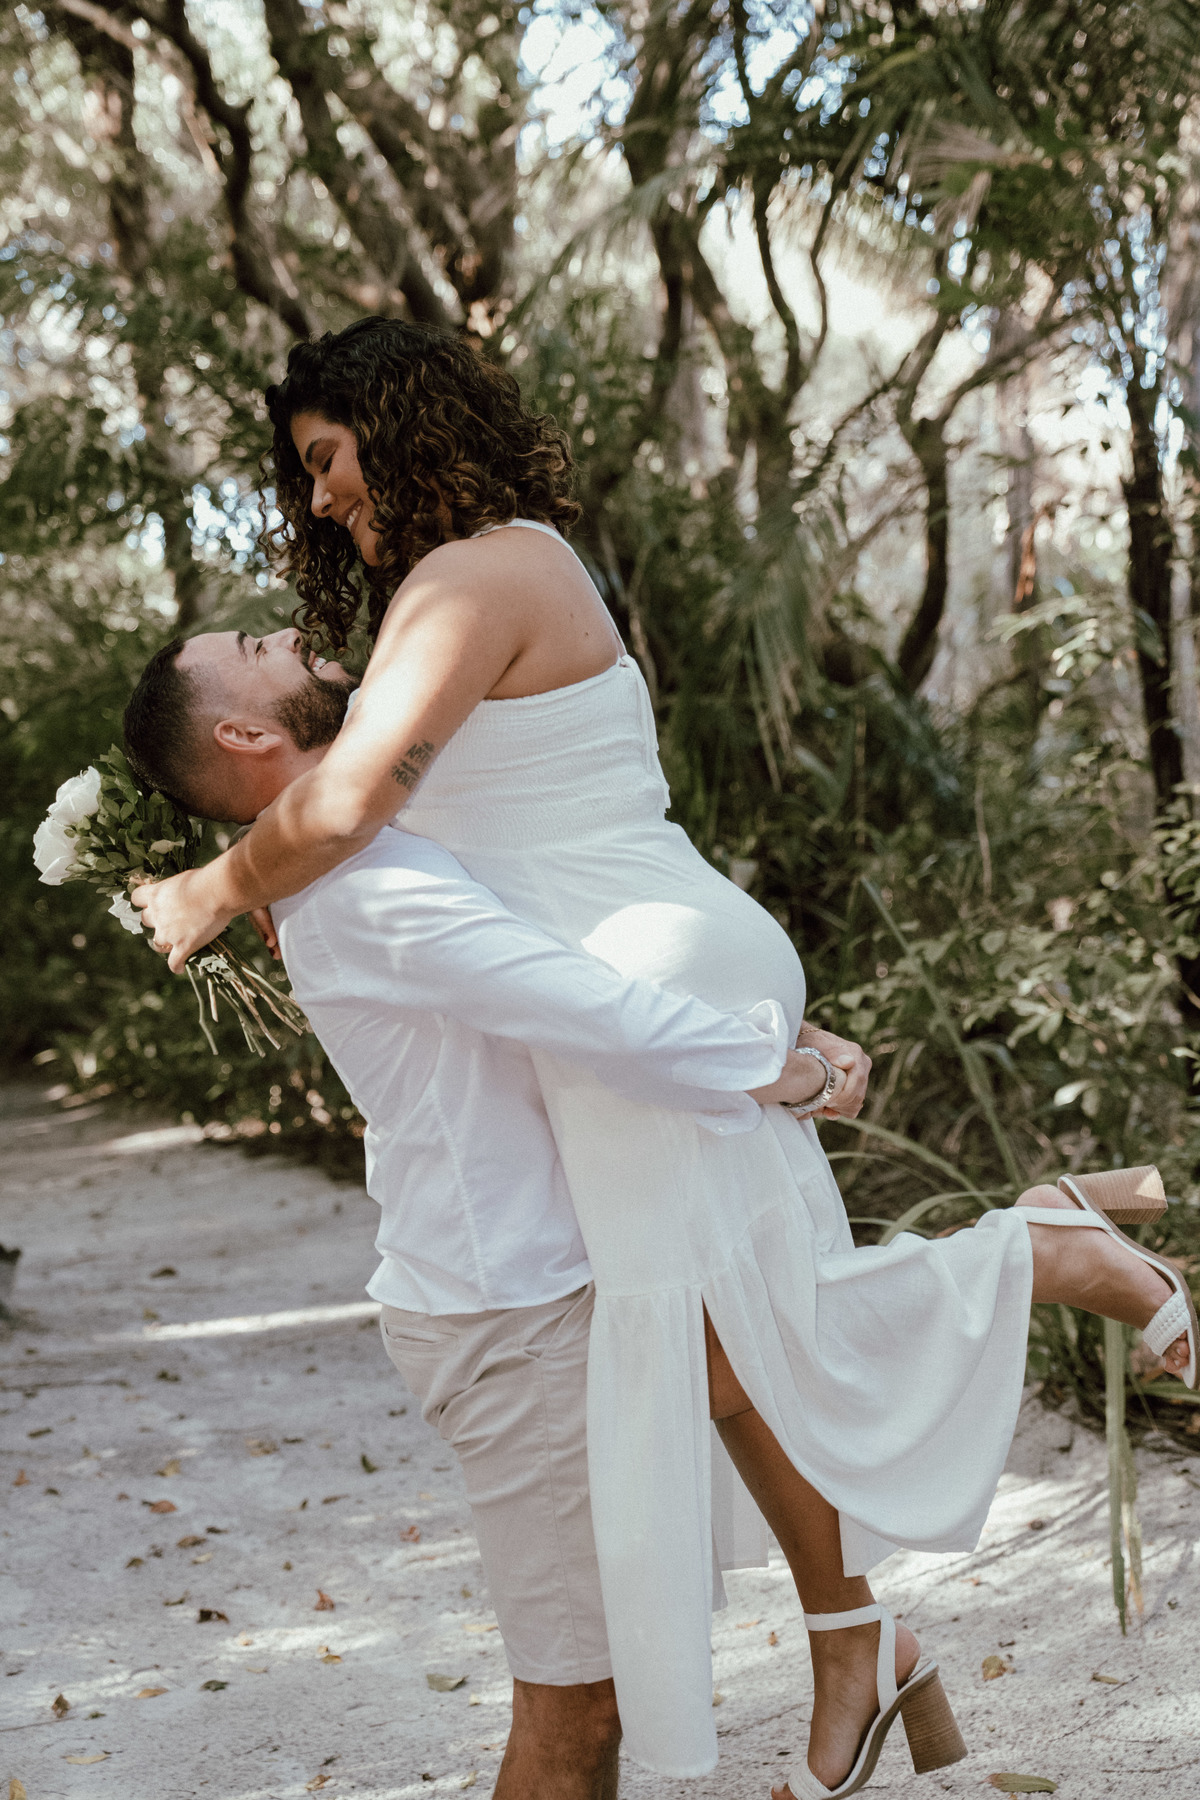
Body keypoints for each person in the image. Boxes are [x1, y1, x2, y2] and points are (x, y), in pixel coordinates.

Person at [131, 322, 1195, 1797]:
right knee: (706, 1333)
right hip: (648, 953)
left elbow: (351, 805)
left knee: (707, 1329)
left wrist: (213, 886)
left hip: (630, 975)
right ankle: (855, 1639)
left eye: (327, 458)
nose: (319, 498)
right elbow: (402, 826)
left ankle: (1045, 1253)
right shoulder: (480, 575)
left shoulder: (470, 577)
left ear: (396, 421)